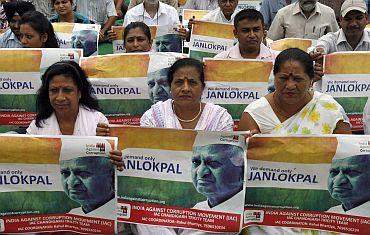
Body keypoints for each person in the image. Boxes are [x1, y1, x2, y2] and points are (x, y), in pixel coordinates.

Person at [98, 58, 235, 235]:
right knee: (149, 222)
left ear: (202, 87)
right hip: (158, 201)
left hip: (207, 203)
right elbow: (139, 163)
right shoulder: (154, 116)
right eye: (179, 82)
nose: (185, 88)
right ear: (171, 86)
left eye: (192, 82)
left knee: (219, 222)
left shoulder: (220, 118)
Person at [238, 48, 351, 135]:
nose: (290, 86)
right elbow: (240, 161)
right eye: (283, 78)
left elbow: (348, 156)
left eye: (298, 79)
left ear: (311, 80)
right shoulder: (256, 114)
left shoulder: (329, 108)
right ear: (274, 77)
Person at [27, 61, 108, 135]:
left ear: (79, 92)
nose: (60, 98)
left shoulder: (98, 121)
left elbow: (113, 148)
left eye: (67, 90)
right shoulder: (37, 127)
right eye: (54, 90)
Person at [192, 144, 244, 213]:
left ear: (242, 170)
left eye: (213, 163)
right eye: (196, 162)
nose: (200, 172)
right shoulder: (196, 210)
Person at [267, 0, 339, 40]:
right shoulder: (283, 14)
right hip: (291, 62)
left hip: (318, 62)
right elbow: (272, 42)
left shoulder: (328, 13)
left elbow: (335, 41)